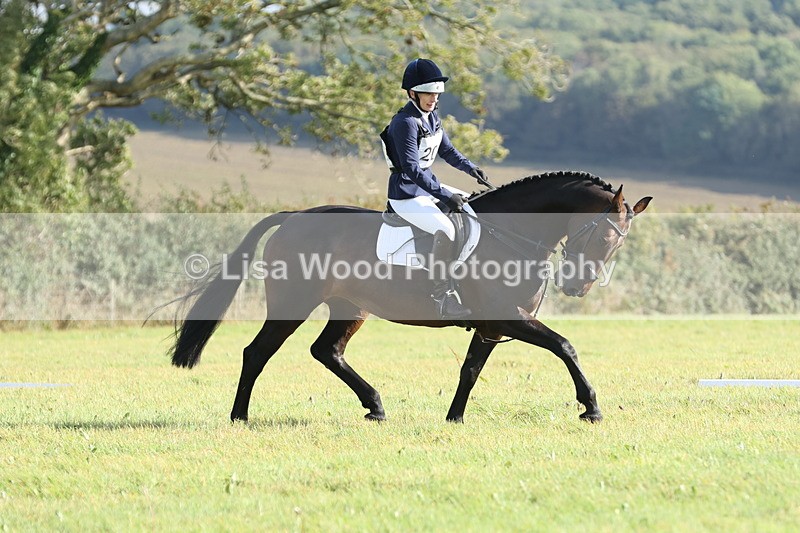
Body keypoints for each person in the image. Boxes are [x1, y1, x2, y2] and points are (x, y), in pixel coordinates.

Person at [380, 58, 491, 321]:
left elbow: (448, 151)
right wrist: (444, 195)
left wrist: (471, 168)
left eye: (436, 94)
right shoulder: (405, 123)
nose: (433, 99)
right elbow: (411, 169)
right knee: (446, 228)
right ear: (412, 93)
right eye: (428, 93)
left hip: (425, 186)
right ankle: (441, 296)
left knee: (471, 208)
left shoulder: (431, 117)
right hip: (406, 193)